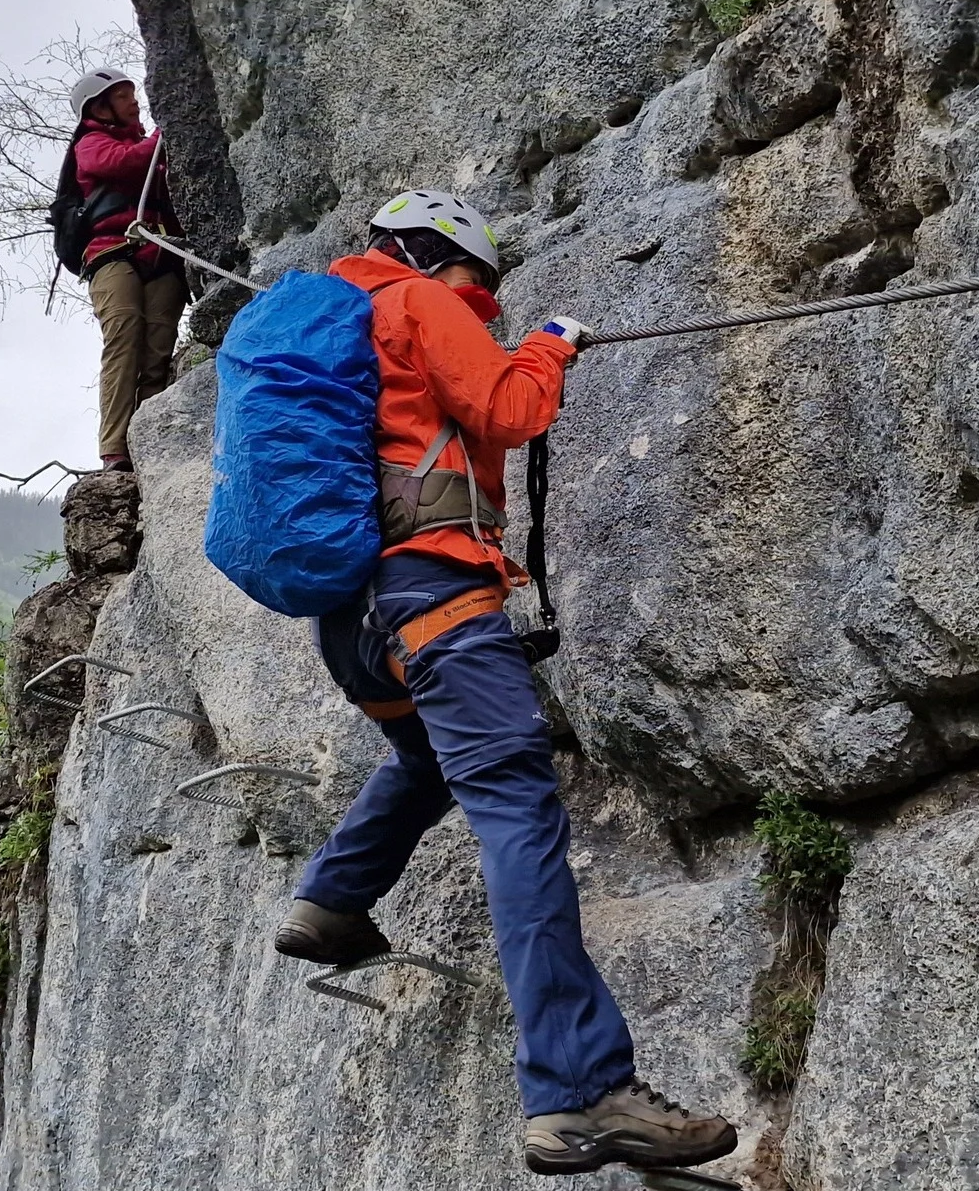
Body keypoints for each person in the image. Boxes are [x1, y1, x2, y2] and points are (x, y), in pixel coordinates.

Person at [274, 191, 738, 1177]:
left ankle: (331, 898)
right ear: (450, 262)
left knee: (426, 755)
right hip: (438, 597)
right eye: (477, 286)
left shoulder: (332, 324)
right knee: (518, 809)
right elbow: (511, 408)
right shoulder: (417, 302)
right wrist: (549, 343)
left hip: (354, 623)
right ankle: (578, 1094)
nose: (477, 302)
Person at [67, 68, 188, 473]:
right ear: (100, 108)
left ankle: (146, 443)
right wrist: (165, 131)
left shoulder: (149, 146)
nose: (133, 102)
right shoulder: (91, 145)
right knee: (124, 335)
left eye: (132, 94)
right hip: (112, 251)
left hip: (161, 252)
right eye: (122, 96)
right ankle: (115, 448)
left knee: (157, 348)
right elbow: (125, 163)